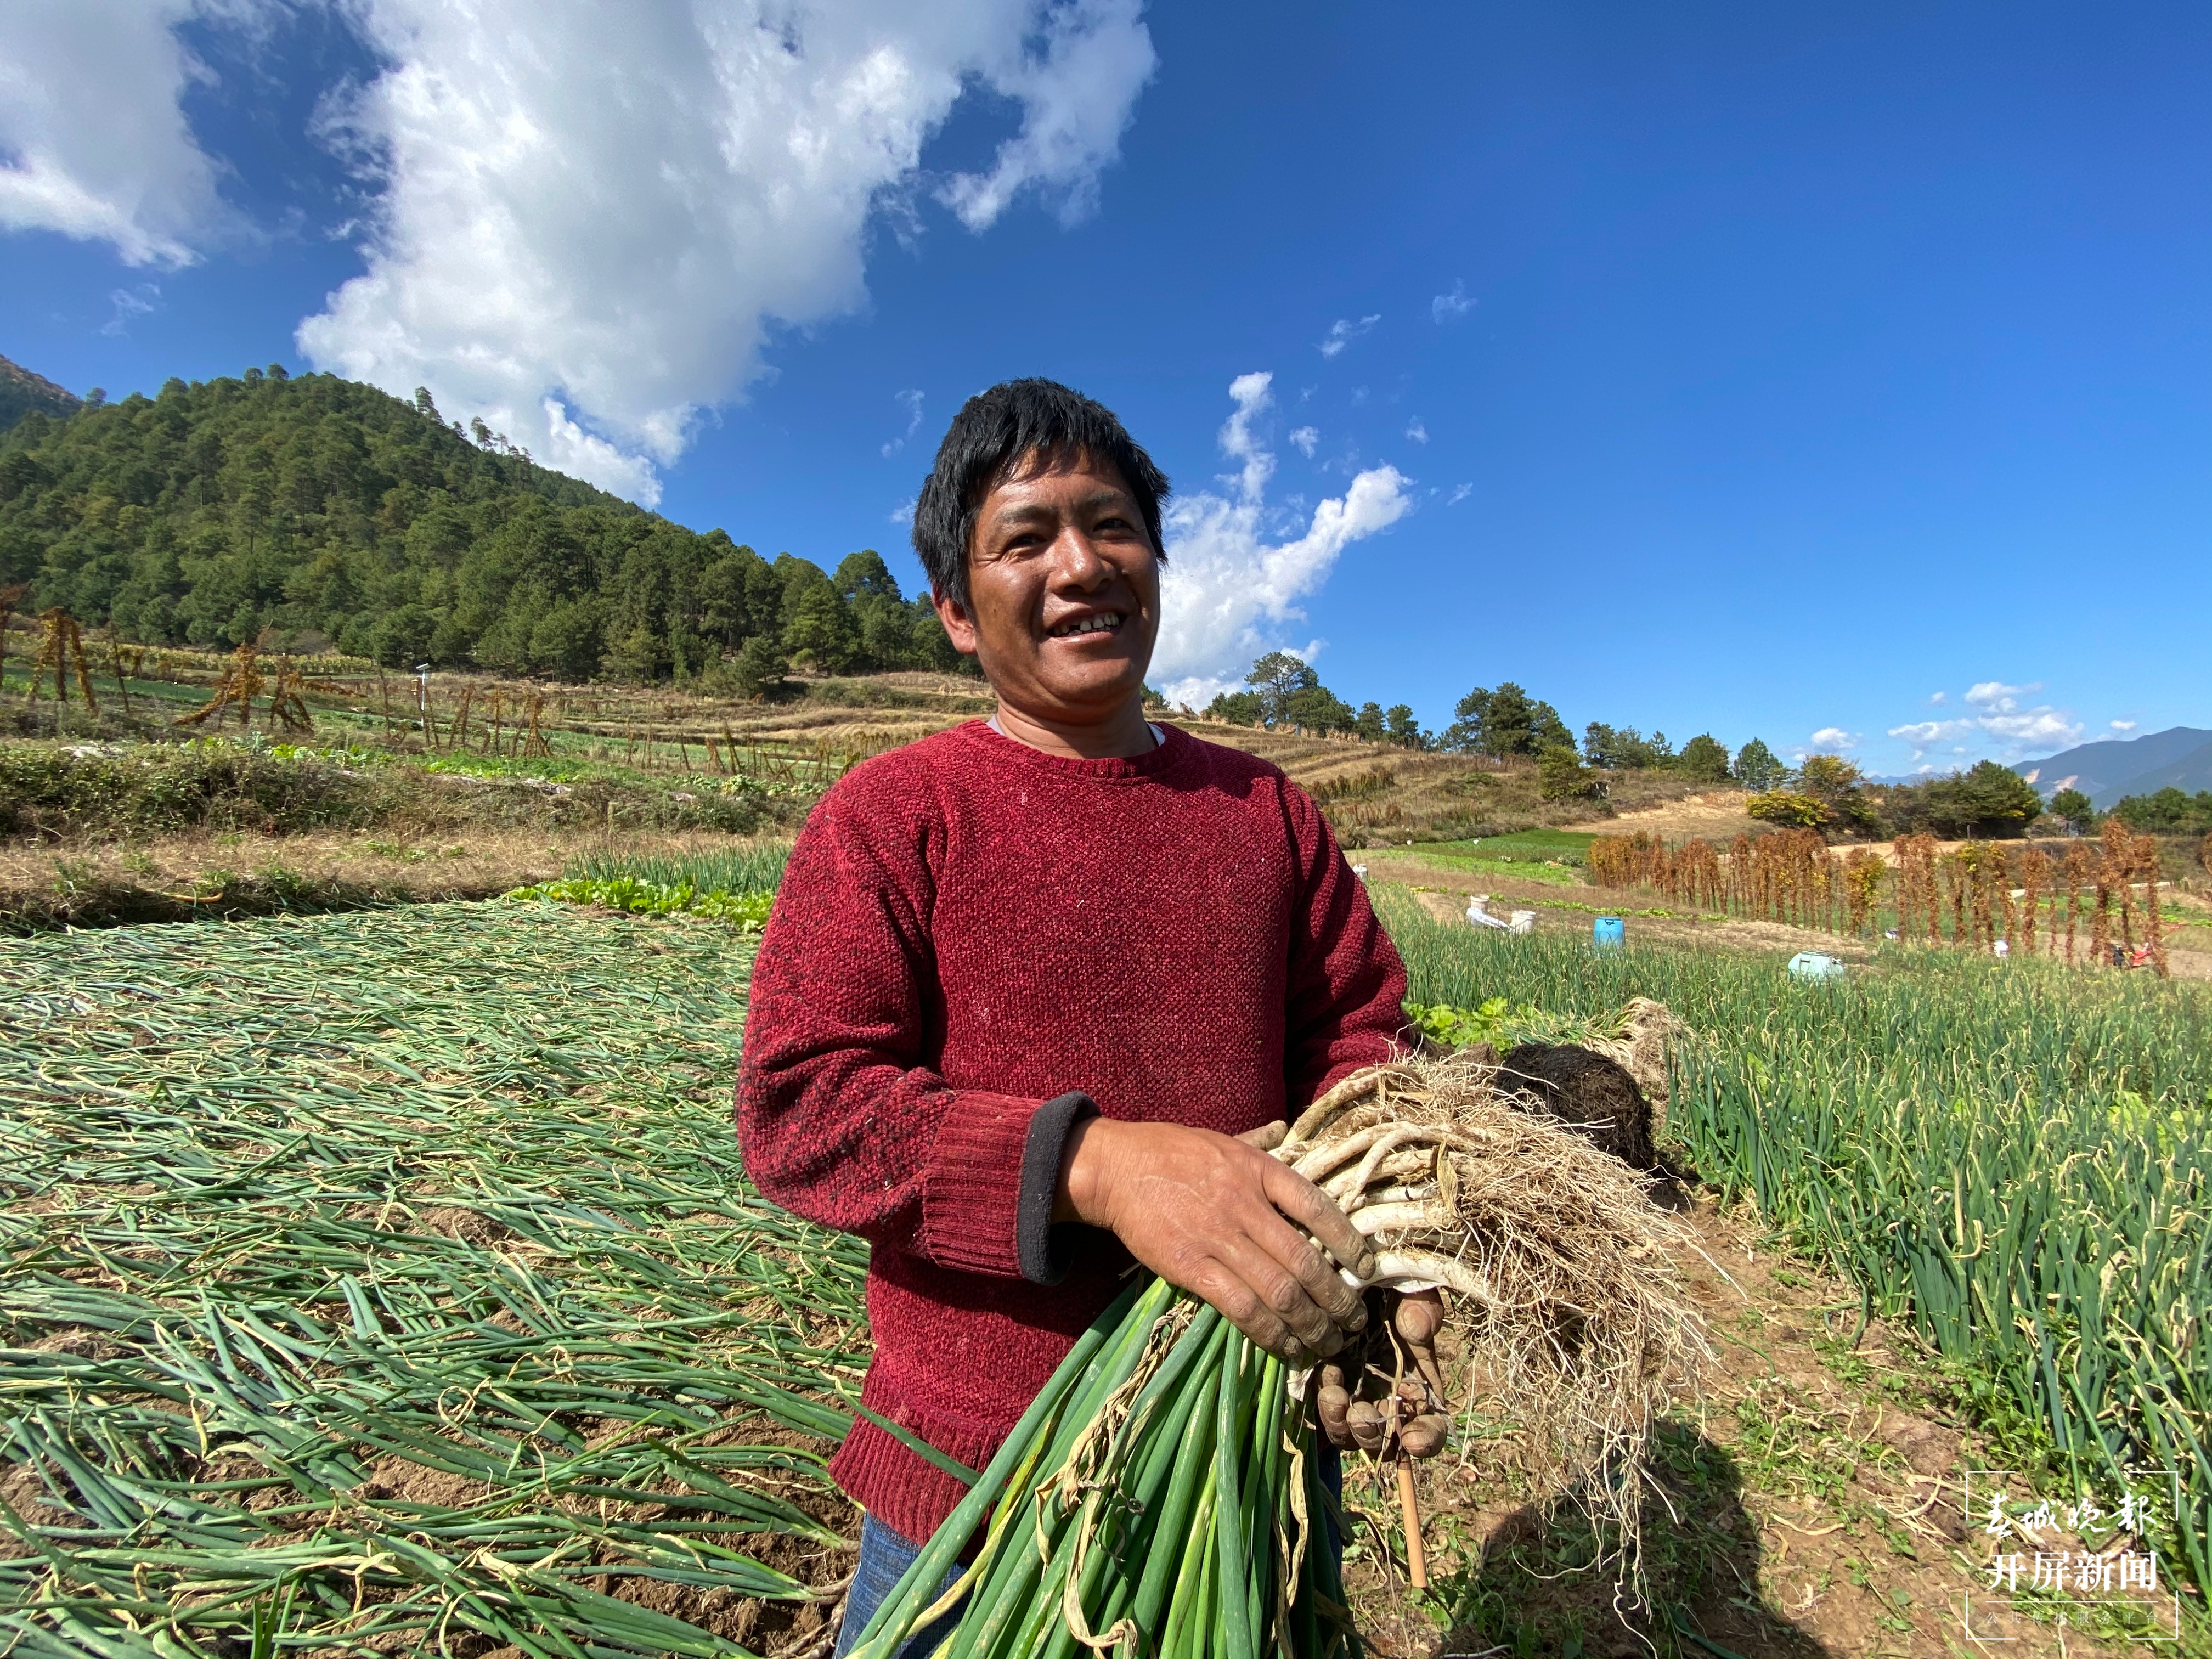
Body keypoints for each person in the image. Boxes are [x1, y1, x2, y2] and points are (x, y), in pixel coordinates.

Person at [735, 379, 1442, 1658]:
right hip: (974, 1500)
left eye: (1113, 526)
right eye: (1026, 538)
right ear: (958, 611)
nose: (1081, 565)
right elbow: (805, 1109)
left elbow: (1360, 1039)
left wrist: (1393, 1256)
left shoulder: (1267, 814)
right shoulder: (893, 816)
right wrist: (1101, 1168)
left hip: (1245, 1450)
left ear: (1157, 564)